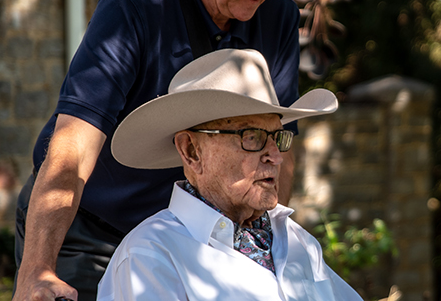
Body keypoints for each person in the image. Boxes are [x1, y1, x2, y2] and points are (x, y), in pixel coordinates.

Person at [13, 0, 302, 300]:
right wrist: (38, 270)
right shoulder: (135, 7)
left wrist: (270, 249)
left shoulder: (279, 18)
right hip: (88, 227)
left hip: (192, 237)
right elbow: (73, 148)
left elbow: (279, 146)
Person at [97, 48, 360, 301]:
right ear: (191, 151)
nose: (276, 157)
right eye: (252, 136)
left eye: (277, 137)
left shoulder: (299, 241)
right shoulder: (150, 254)